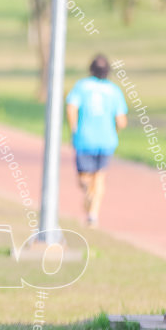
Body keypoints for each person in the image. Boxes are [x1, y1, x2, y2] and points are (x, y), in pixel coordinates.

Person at [66, 54, 128, 227]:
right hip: (106, 140)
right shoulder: (114, 90)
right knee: (99, 178)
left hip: (84, 139)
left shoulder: (81, 86)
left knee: (84, 179)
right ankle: (93, 214)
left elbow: (71, 108)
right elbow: (122, 121)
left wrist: (74, 129)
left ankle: (90, 203)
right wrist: (114, 132)